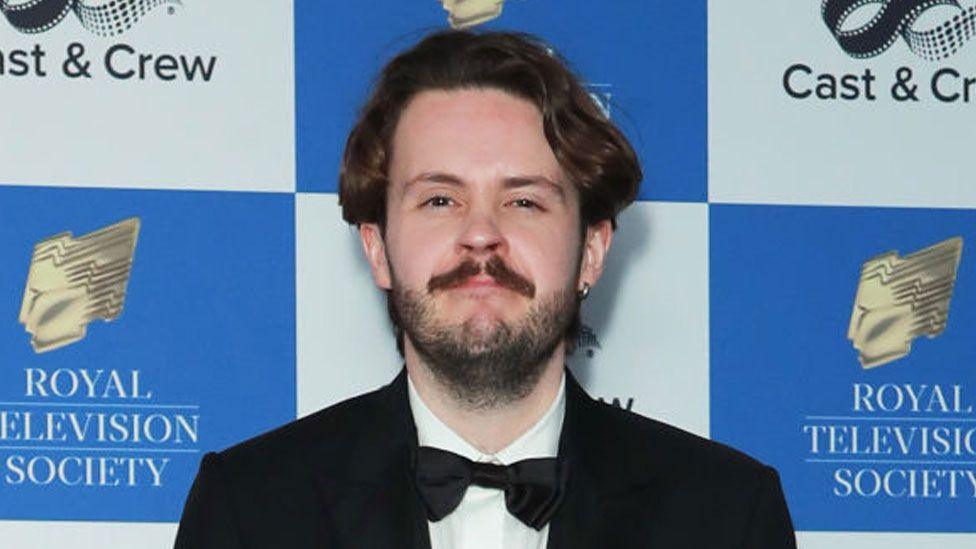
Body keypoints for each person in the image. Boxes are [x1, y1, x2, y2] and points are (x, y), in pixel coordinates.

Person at [173, 29, 797, 549]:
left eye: (523, 201)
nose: (481, 236)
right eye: (440, 199)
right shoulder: (251, 510)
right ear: (377, 248)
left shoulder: (725, 516)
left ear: (592, 250)